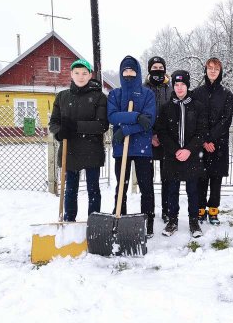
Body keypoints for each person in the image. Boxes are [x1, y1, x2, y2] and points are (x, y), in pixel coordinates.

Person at [49, 59, 109, 221]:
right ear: (71, 74)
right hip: (70, 150)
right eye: (77, 73)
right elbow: (54, 122)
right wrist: (59, 132)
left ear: (90, 75)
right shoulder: (62, 97)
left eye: (84, 73)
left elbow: (101, 125)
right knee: (70, 189)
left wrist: (75, 126)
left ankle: (94, 221)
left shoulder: (99, 97)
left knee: (93, 189)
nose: (80, 77)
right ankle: (69, 220)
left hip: (92, 150)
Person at [107, 55, 156, 238]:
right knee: (121, 186)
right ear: (121, 73)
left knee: (146, 187)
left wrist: (126, 130)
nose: (129, 74)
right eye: (125, 71)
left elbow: (148, 121)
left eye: (132, 71)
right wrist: (136, 117)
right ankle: (119, 217)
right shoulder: (115, 94)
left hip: (142, 148)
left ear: (138, 73)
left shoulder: (147, 94)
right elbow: (112, 116)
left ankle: (147, 221)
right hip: (122, 149)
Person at [155, 70, 207, 238]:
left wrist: (189, 149)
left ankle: (194, 221)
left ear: (187, 85)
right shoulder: (166, 107)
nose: (179, 88)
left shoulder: (198, 106)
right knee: (172, 190)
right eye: (176, 85)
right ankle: (172, 221)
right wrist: (175, 150)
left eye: (182, 84)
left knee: (193, 190)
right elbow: (162, 132)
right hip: (172, 156)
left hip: (191, 156)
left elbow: (201, 132)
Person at [193, 57, 233, 225]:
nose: (212, 71)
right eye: (210, 68)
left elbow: (226, 119)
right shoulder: (196, 93)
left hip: (219, 144)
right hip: (200, 144)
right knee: (201, 178)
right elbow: (193, 119)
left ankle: (214, 210)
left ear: (220, 72)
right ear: (205, 70)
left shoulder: (226, 94)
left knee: (216, 179)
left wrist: (212, 139)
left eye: (216, 69)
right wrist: (203, 140)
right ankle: (200, 209)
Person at [143, 56, 173, 223]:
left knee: (167, 178)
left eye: (160, 66)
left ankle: (166, 210)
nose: (157, 69)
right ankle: (149, 211)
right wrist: (151, 135)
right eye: (154, 67)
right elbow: (141, 114)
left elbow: (173, 114)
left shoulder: (170, 88)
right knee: (147, 179)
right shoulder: (143, 88)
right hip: (147, 139)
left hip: (166, 140)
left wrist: (162, 135)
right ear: (149, 69)